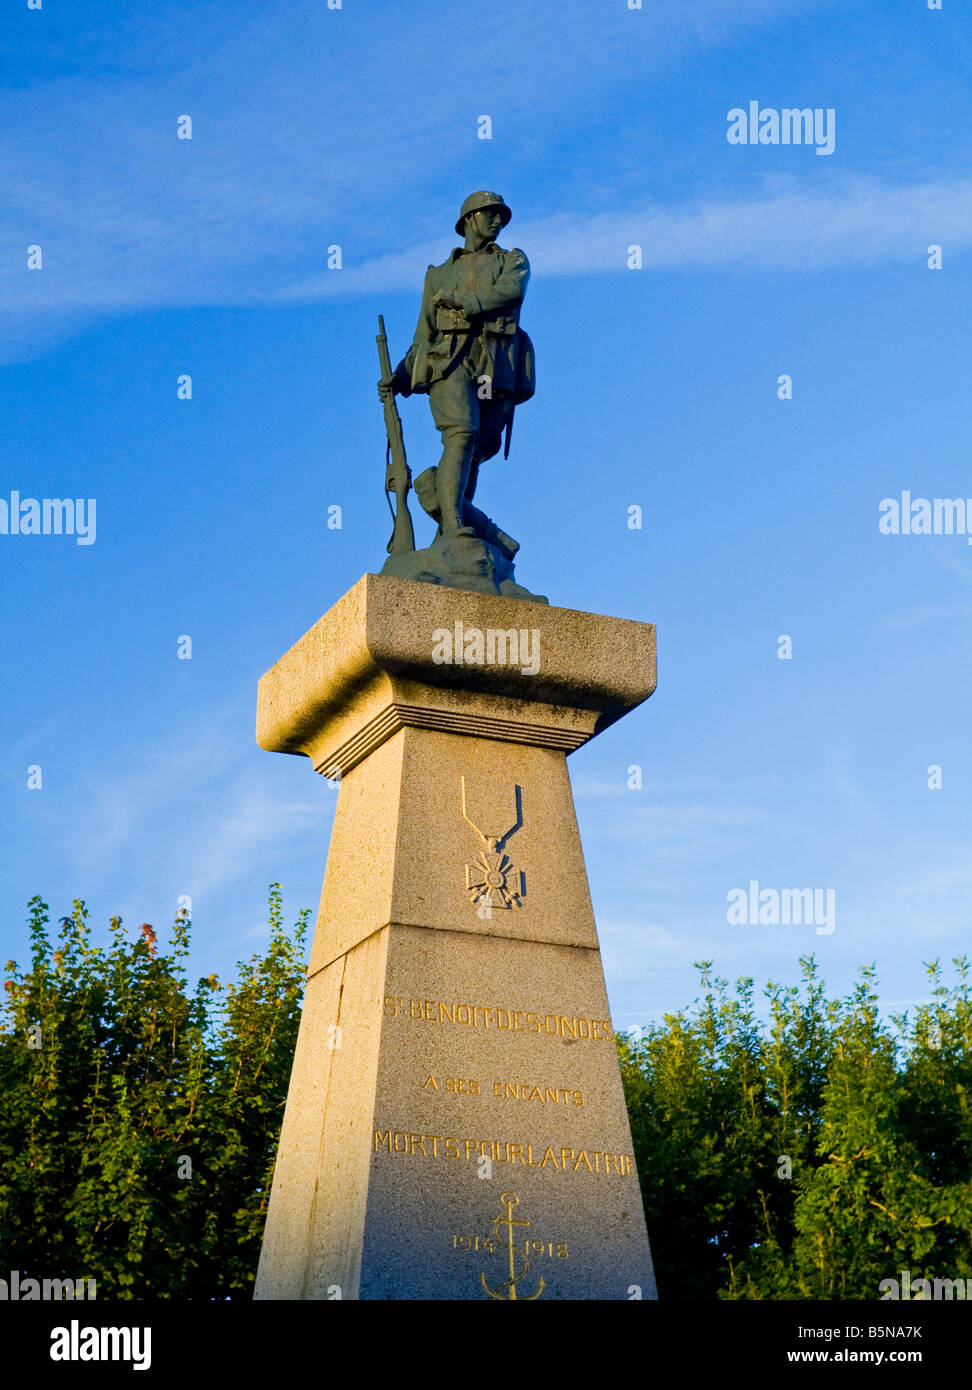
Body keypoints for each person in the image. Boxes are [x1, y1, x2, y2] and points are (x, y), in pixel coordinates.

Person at [377, 191, 534, 556]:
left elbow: (513, 291)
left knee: (475, 448)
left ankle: (448, 519)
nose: (498, 221)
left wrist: (468, 303)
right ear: (469, 220)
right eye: (490, 215)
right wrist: (400, 377)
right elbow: (423, 336)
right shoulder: (438, 275)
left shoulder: (513, 261)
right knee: (461, 435)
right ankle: (456, 523)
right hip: (448, 361)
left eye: (501, 216)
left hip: (492, 369)